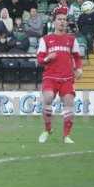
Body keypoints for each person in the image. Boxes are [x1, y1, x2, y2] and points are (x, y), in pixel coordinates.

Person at [36, 7, 83, 144]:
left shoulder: (71, 39)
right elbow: (39, 59)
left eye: (64, 20)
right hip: (50, 76)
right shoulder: (45, 39)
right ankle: (47, 129)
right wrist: (47, 58)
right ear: (54, 22)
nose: (62, 22)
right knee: (48, 97)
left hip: (67, 77)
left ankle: (66, 135)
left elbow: (77, 57)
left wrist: (79, 69)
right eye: (59, 19)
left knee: (69, 103)